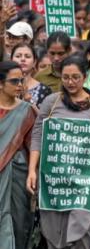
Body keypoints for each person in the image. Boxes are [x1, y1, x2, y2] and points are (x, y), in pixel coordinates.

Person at [27, 55, 90, 248]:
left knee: (79, 234)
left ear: (85, 77)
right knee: (53, 231)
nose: (70, 82)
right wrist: (32, 170)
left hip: (84, 182)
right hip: (53, 180)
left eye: (75, 77)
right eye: (66, 77)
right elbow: (37, 135)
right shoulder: (51, 102)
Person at [0, 61, 37, 249]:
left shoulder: (27, 111)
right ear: (0, 83)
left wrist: (31, 171)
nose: (20, 85)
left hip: (17, 176)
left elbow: (34, 145)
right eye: (14, 81)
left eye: (21, 80)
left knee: (19, 223)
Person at [11, 42, 52, 106]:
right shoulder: (3, 86)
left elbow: (44, 115)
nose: (23, 59)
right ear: (11, 60)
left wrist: (29, 100)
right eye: (18, 56)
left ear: (34, 62)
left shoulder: (44, 90)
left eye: (27, 56)